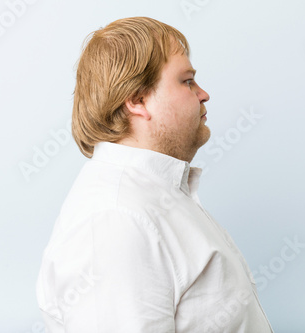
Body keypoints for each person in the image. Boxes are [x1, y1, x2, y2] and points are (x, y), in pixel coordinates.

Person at [36, 16, 274, 333]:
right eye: (187, 81)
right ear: (137, 100)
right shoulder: (116, 217)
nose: (203, 94)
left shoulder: (155, 196)